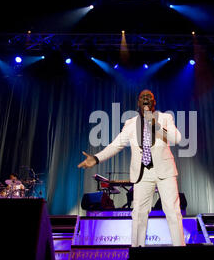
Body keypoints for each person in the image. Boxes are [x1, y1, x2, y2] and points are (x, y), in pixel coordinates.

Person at [78, 89, 185, 247]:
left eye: (149, 97)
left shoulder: (165, 118)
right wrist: (96, 158)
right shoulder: (130, 123)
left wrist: (155, 125)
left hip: (165, 171)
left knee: (173, 211)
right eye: (143, 97)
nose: (146, 99)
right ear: (138, 103)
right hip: (142, 173)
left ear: (154, 102)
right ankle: (137, 254)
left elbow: (176, 139)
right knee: (139, 214)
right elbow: (116, 145)